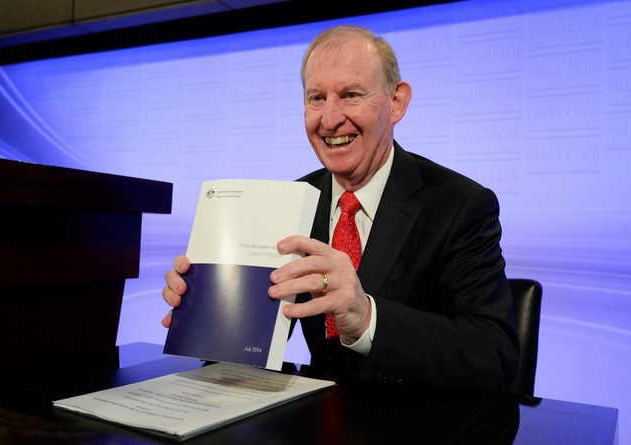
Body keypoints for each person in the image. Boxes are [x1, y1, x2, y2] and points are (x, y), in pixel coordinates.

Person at [162, 25, 519, 390]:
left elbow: (495, 355)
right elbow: (242, 353)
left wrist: (366, 317)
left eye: (350, 95)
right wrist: (205, 306)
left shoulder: (461, 204)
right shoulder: (292, 201)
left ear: (396, 102)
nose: (330, 120)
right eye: (316, 98)